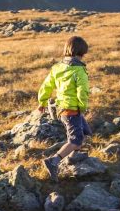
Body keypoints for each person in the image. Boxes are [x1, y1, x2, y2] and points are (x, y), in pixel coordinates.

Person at [37, 35, 92, 182]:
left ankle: (74, 155)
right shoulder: (79, 70)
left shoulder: (57, 68)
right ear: (81, 53)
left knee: (86, 131)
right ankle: (53, 161)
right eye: (83, 54)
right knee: (76, 140)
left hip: (62, 109)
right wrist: (82, 106)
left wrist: (42, 101)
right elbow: (83, 91)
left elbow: (47, 85)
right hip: (72, 110)